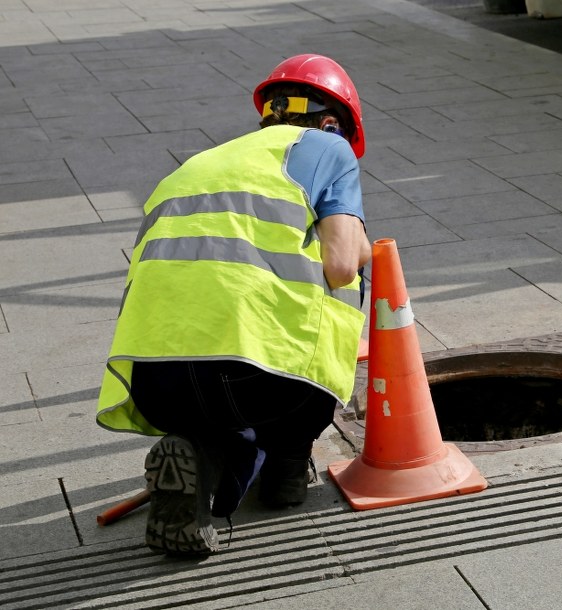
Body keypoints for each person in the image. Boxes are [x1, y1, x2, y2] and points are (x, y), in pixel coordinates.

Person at [95, 54, 370, 557]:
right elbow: (341, 265)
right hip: (255, 376)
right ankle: (288, 461)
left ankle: (197, 462)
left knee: (213, 417)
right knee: (351, 287)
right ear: (332, 123)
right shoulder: (329, 147)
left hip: (154, 378)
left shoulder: (201, 163)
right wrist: (361, 238)